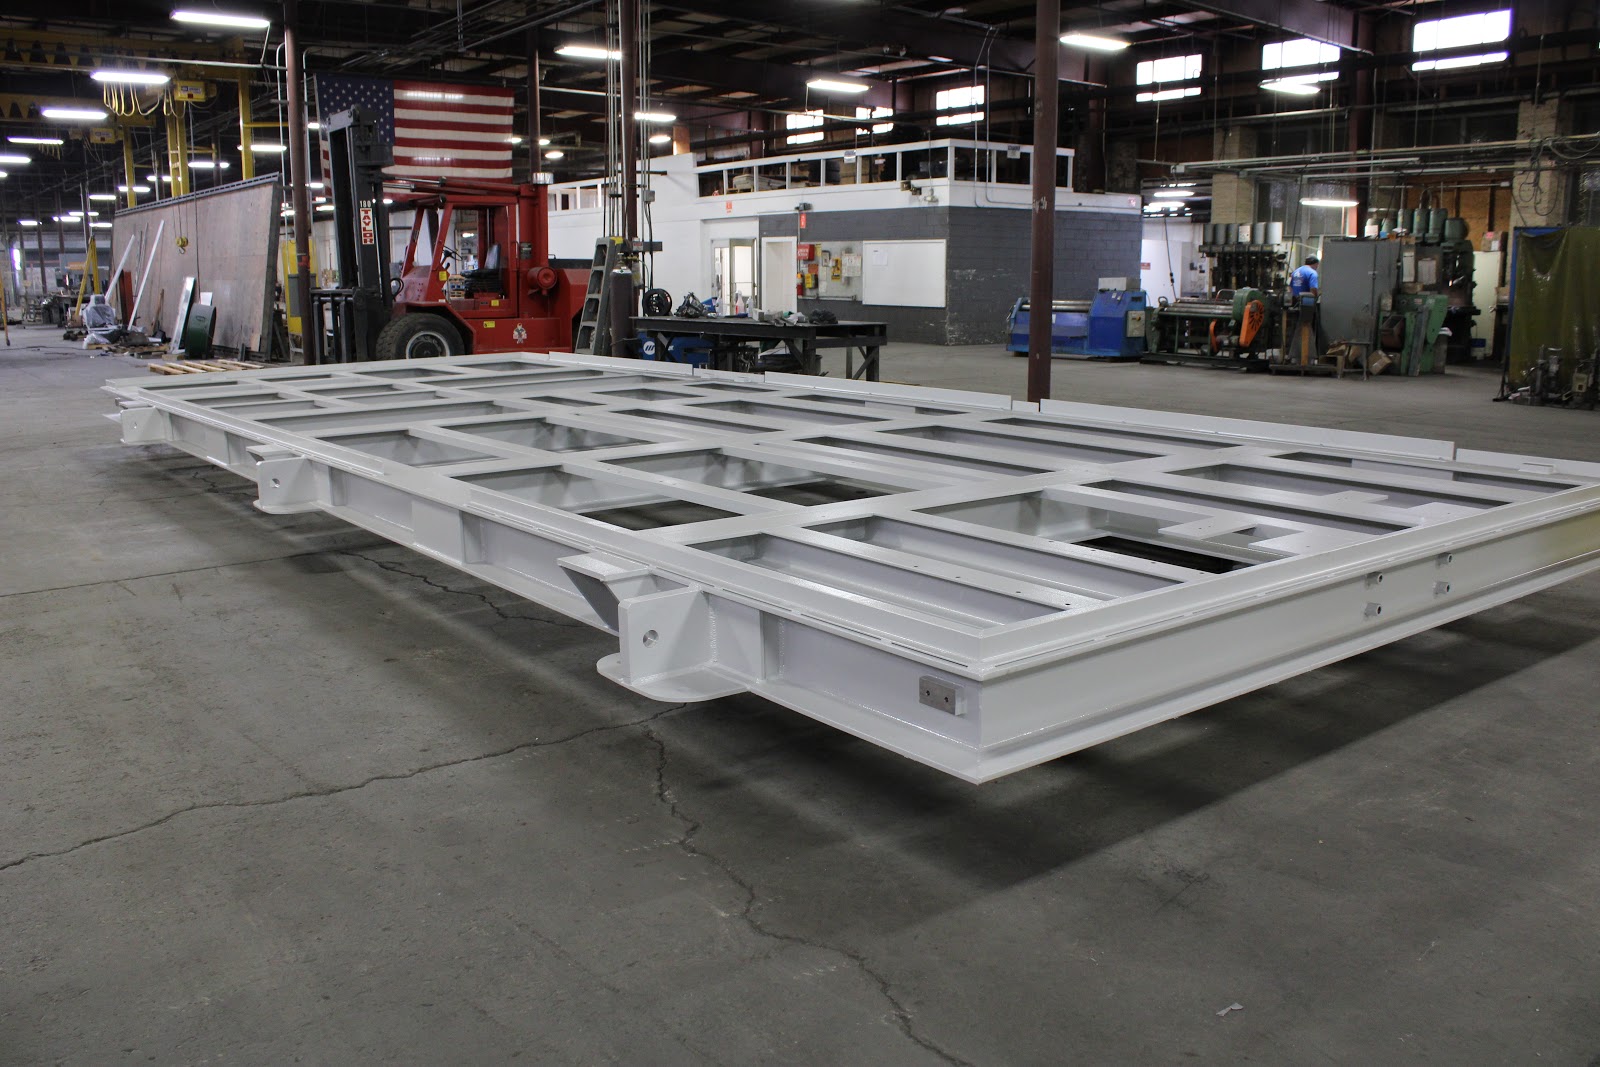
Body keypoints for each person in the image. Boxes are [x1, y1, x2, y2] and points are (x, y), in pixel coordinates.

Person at [1287, 255, 1320, 361]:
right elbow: (1313, 289)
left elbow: (1290, 288)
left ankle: (1293, 356)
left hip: (1295, 305)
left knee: (1295, 330)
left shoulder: (1296, 272)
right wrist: (1315, 298)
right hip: (1306, 305)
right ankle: (1306, 357)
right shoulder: (1312, 273)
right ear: (1315, 264)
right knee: (1307, 329)